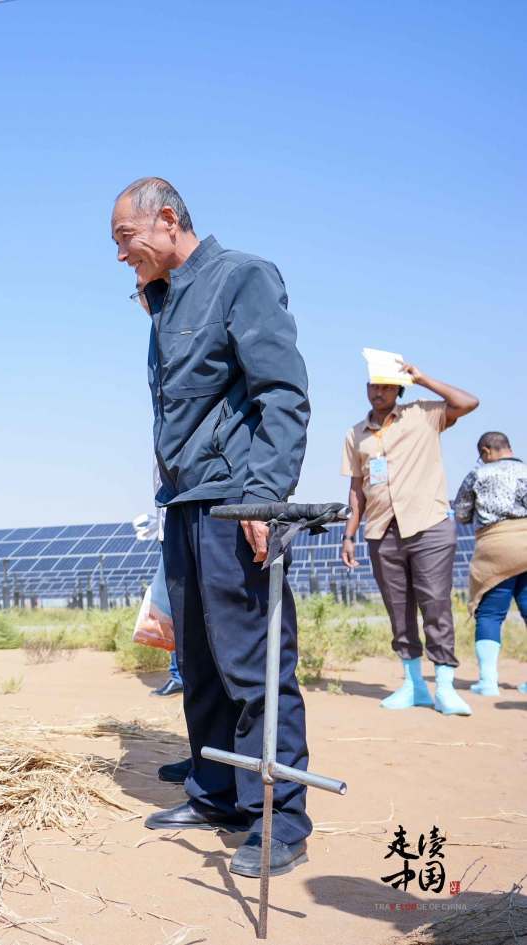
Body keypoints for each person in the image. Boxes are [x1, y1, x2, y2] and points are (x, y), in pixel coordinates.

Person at [112, 177, 312, 877]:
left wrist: (265, 495)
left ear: (167, 220)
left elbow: (281, 393)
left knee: (253, 664)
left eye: (124, 239)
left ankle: (279, 817)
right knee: (197, 659)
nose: (119, 255)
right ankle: (216, 790)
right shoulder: (164, 301)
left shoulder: (242, 277)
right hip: (185, 502)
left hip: (235, 504)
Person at [339, 364, 479, 715]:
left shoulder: (425, 414)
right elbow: (356, 488)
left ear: (399, 389)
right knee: (398, 609)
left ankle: (444, 687)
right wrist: (349, 534)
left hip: (429, 524)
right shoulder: (356, 434)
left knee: (435, 605)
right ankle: (413, 684)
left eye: (387, 386)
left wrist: (422, 379)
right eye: (373, 385)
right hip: (382, 530)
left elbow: (468, 402)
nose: (378, 392)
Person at [453, 431, 527, 698]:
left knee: (490, 614)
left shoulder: (478, 474)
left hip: (496, 548)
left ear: (486, 451)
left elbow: (461, 514)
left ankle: (488, 682)